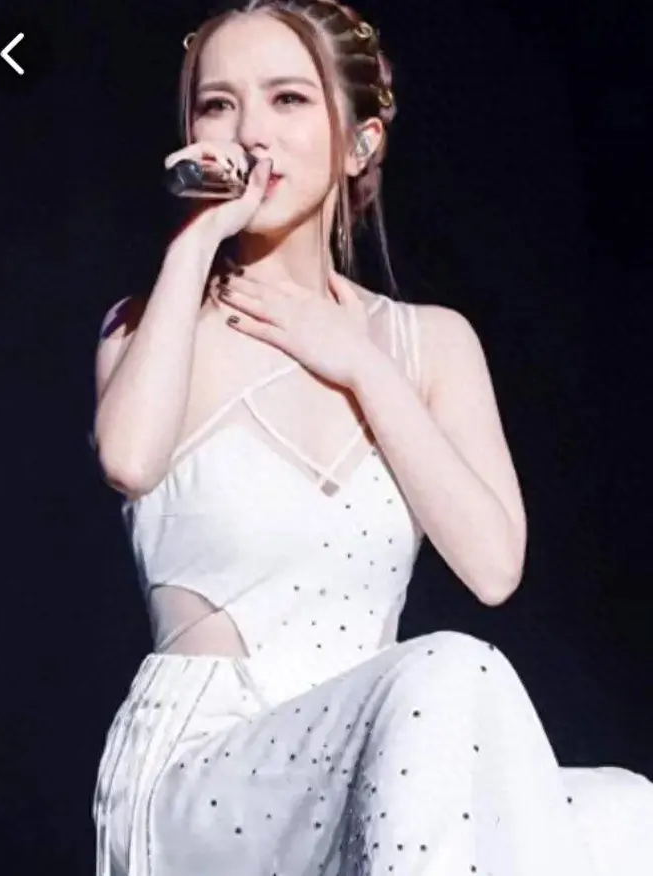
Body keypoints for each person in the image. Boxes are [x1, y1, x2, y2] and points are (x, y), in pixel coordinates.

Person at [91, 2, 653, 874]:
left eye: (287, 99)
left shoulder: (429, 344)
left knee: (626, 813)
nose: (250, 133)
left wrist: (363, 365)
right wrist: (197, 238)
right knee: (446, 674)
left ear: (359, 143)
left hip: (384, 762)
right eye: (218, 105)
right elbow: (128, 459)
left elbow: (493, 567)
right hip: (207, 766)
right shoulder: (151, 326)